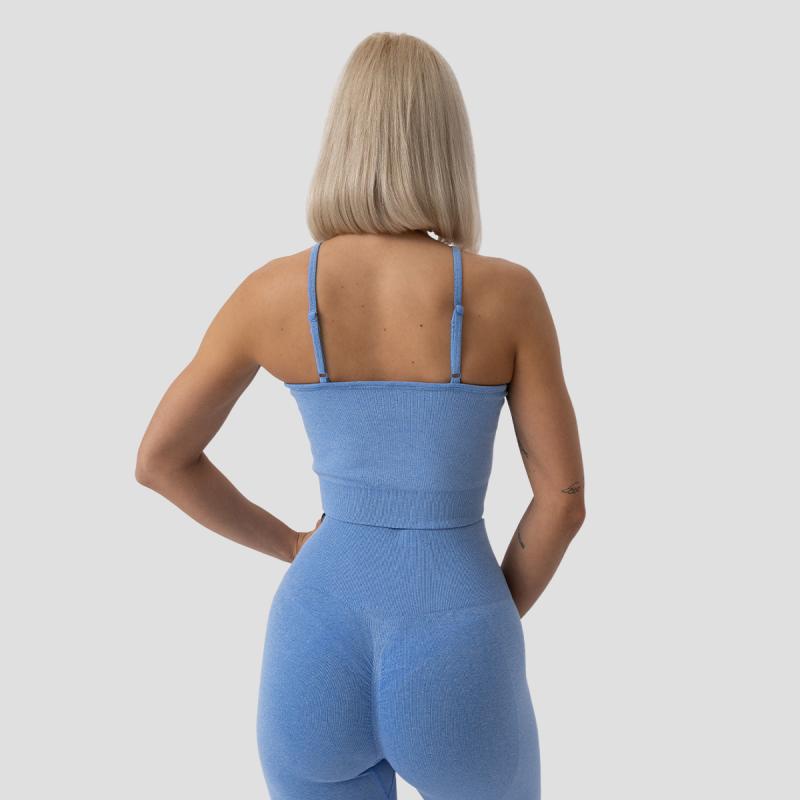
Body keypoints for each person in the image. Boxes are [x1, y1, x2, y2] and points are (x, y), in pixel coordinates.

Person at [136, 31, 585, 800]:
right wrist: (481, 615)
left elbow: (160, 460)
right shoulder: (507, 294)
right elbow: (564, 500)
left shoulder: (270, 294)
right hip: (460, 633)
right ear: (447, 146)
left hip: (314, 635)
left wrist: (289, 544)